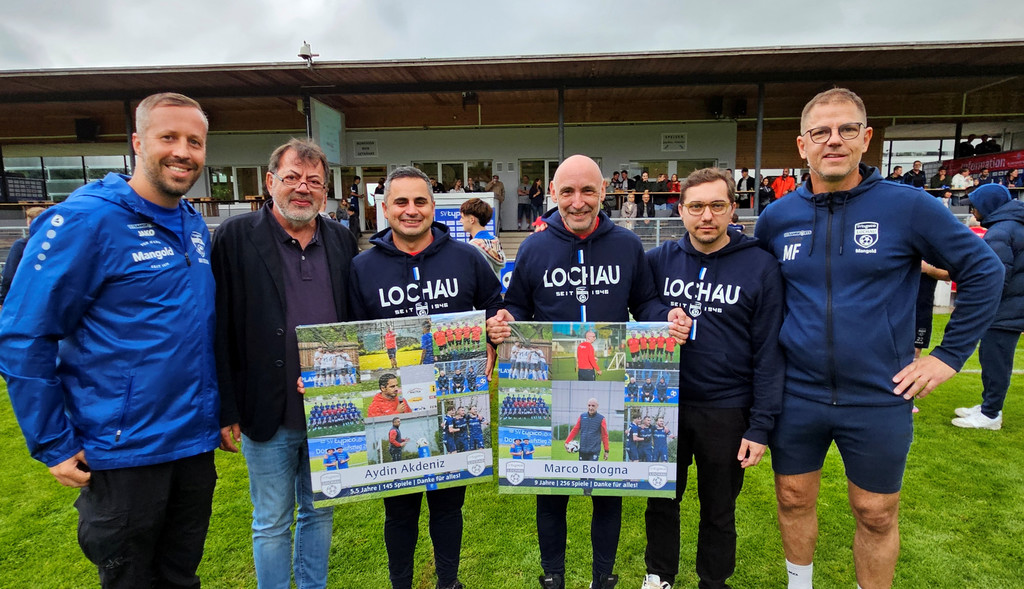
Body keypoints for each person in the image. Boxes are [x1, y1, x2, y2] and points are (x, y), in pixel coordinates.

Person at [754, 88, 1002, 589]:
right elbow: (756, 296)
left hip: (878, 395)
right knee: (792, 498)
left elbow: (984, 269)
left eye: (847, 130)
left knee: (875, 513)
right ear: (802, 145)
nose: (834, 141)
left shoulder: (908, 206)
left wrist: (948, 357)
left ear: (866, 139)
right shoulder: (776, 218)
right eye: (820, 132)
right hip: (796, 394)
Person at [0, 92, 220, 588]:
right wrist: (53, 442)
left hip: (191, 445)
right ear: (138, 142)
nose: (183, 151)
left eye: (194, 141)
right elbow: (23, 335)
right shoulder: (86, 220)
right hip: (124, 452)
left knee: (181, 576)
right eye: (169, 138)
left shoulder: (191, 224)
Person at [488, 154, 690, 589]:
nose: (577, 202)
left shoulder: (627, 245)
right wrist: (503, 318)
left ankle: (604, 577)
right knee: (551, 489)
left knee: (609, 490)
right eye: (567, 192)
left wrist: (667, 315)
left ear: (603, 192)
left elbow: (646, 304)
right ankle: (553, 576)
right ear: (553, 194)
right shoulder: (535, 247)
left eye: (587, 191)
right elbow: (518, 305)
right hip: (550, 382)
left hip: (610, 383)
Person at [213, 137, 358, 589]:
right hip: (265, 409)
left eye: (314, 181)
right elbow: (218, 328)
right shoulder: (235, 237)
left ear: (325, 191)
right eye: (292, 177)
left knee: (320, 510)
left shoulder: (341, 238)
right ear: (270, 181)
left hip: (329, 407)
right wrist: (226, 408)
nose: (302, 188)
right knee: (271, 520)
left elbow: (354, 320)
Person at [348, 165, 503, 589]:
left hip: (453, 400)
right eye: (401, 201)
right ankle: (401, 583)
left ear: (434, 207)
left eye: (420, 201)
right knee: (398, 512)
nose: (411, 210)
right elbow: (352, 332)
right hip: (396, 404)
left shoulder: (467, 257)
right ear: (385, 208)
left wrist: (492, 338)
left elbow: (495, 308)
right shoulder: (362, 267)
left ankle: (448, 582)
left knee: (448, 508)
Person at [641, 167, 785, 589]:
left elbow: (770, 352)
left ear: (732, 209)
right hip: (663, 403)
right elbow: (639, 303)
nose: (707, 216)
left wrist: (760, 426)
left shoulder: (760, 265)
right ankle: (659, 574)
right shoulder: (658, 260)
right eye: (697, 206)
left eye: (717, 206)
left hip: (727, 408)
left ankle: (713, 580)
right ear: (680, 210)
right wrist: (660, 316)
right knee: (660, 499)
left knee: (719, 507)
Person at [951, 183, 1024, 430]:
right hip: (1010, 306)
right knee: (993, 358)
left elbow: (996, 277)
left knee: (995, 360)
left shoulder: (1002, 231)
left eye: (975, 206)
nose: (973, 211)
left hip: (1005, 309)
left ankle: (991, 414)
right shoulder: (1011, 226)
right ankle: (988, 406)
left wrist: (981, 307)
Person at [0, 205, 46, 306]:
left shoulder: (22, 245)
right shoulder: (57, 244)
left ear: (29, 223)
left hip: (25, 298)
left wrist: (3, 299)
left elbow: (9, 275)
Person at [460, 197, 507, 278]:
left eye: (462, 217)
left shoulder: (473, 248)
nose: (460, 221)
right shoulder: (495, 241)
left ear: (472, 219)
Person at [564, 398, 611, 462]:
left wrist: (606, 450)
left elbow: (604, 435)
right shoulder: (582, 416)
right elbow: (575, 430)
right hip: (582, 450)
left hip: (594, 451)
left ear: (597, 406)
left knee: (591, 471)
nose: (591, 408)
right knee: (581, 471)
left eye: (593, 406)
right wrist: (567, 442)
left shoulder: (601, 419)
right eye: (589, 405)